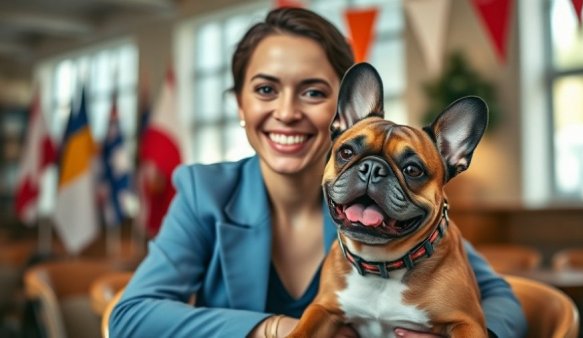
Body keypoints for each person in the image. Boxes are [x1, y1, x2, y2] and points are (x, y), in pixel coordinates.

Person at [109, 7, 527, 338]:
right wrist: (273, 329)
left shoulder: (422, 231)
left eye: (313, 91)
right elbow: (130, 316)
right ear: (240, 105)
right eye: (265, 89)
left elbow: (498, 299)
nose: (287, 112)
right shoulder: (206, 193)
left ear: (341, 111)